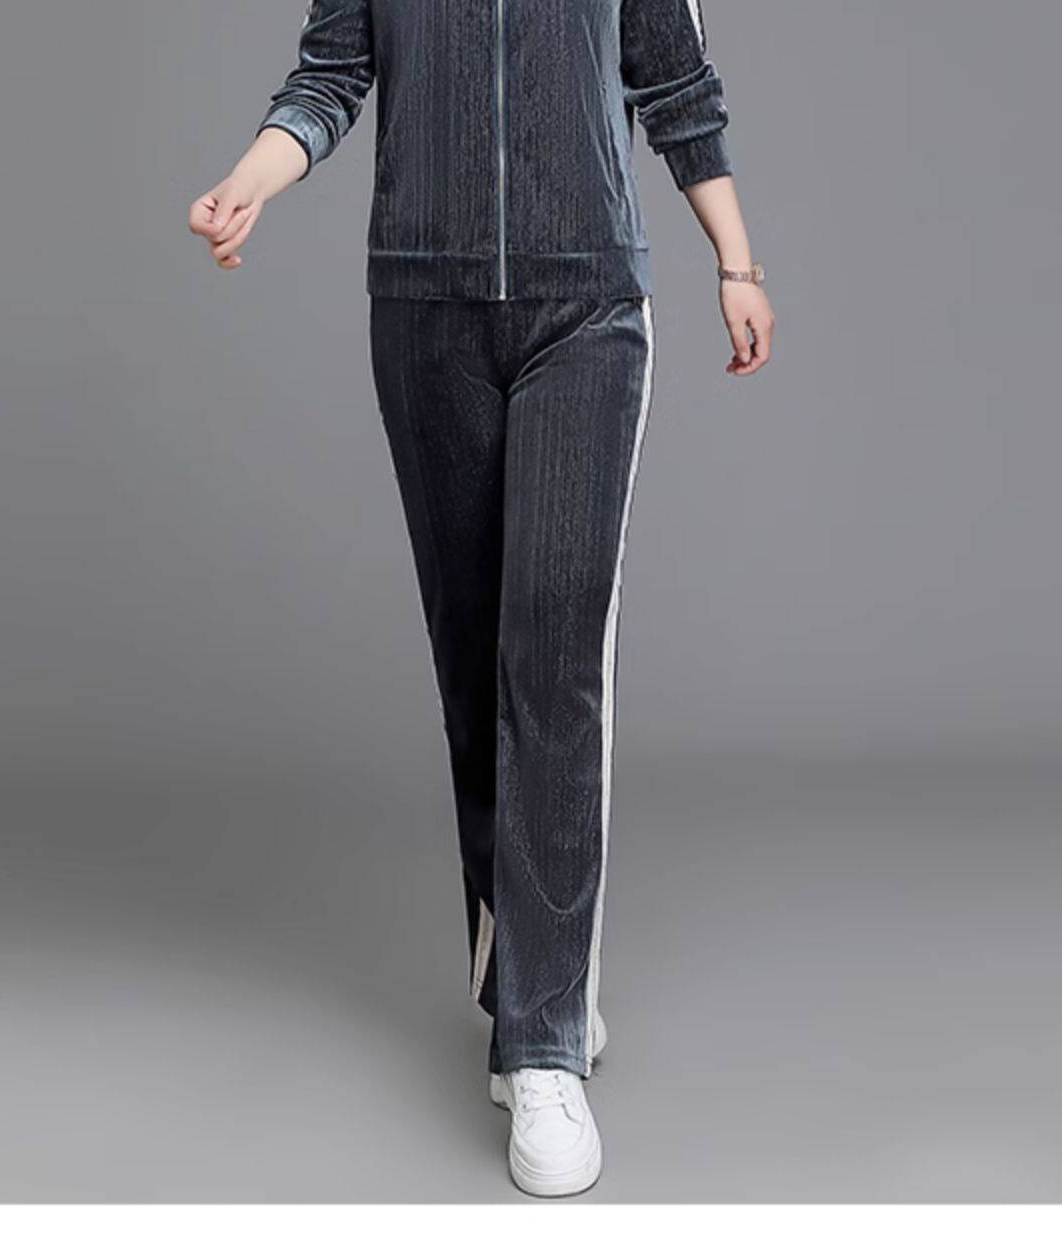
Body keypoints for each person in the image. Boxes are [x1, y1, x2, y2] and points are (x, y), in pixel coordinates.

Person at [188, 0, 773, 1197]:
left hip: (588, 306)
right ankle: (525, 976)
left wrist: (736, 263)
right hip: (424, 315)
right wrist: (249, 179)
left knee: (551, 662)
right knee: (473, 666)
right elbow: (331, 76)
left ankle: (544, 1042)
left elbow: (676, 83)